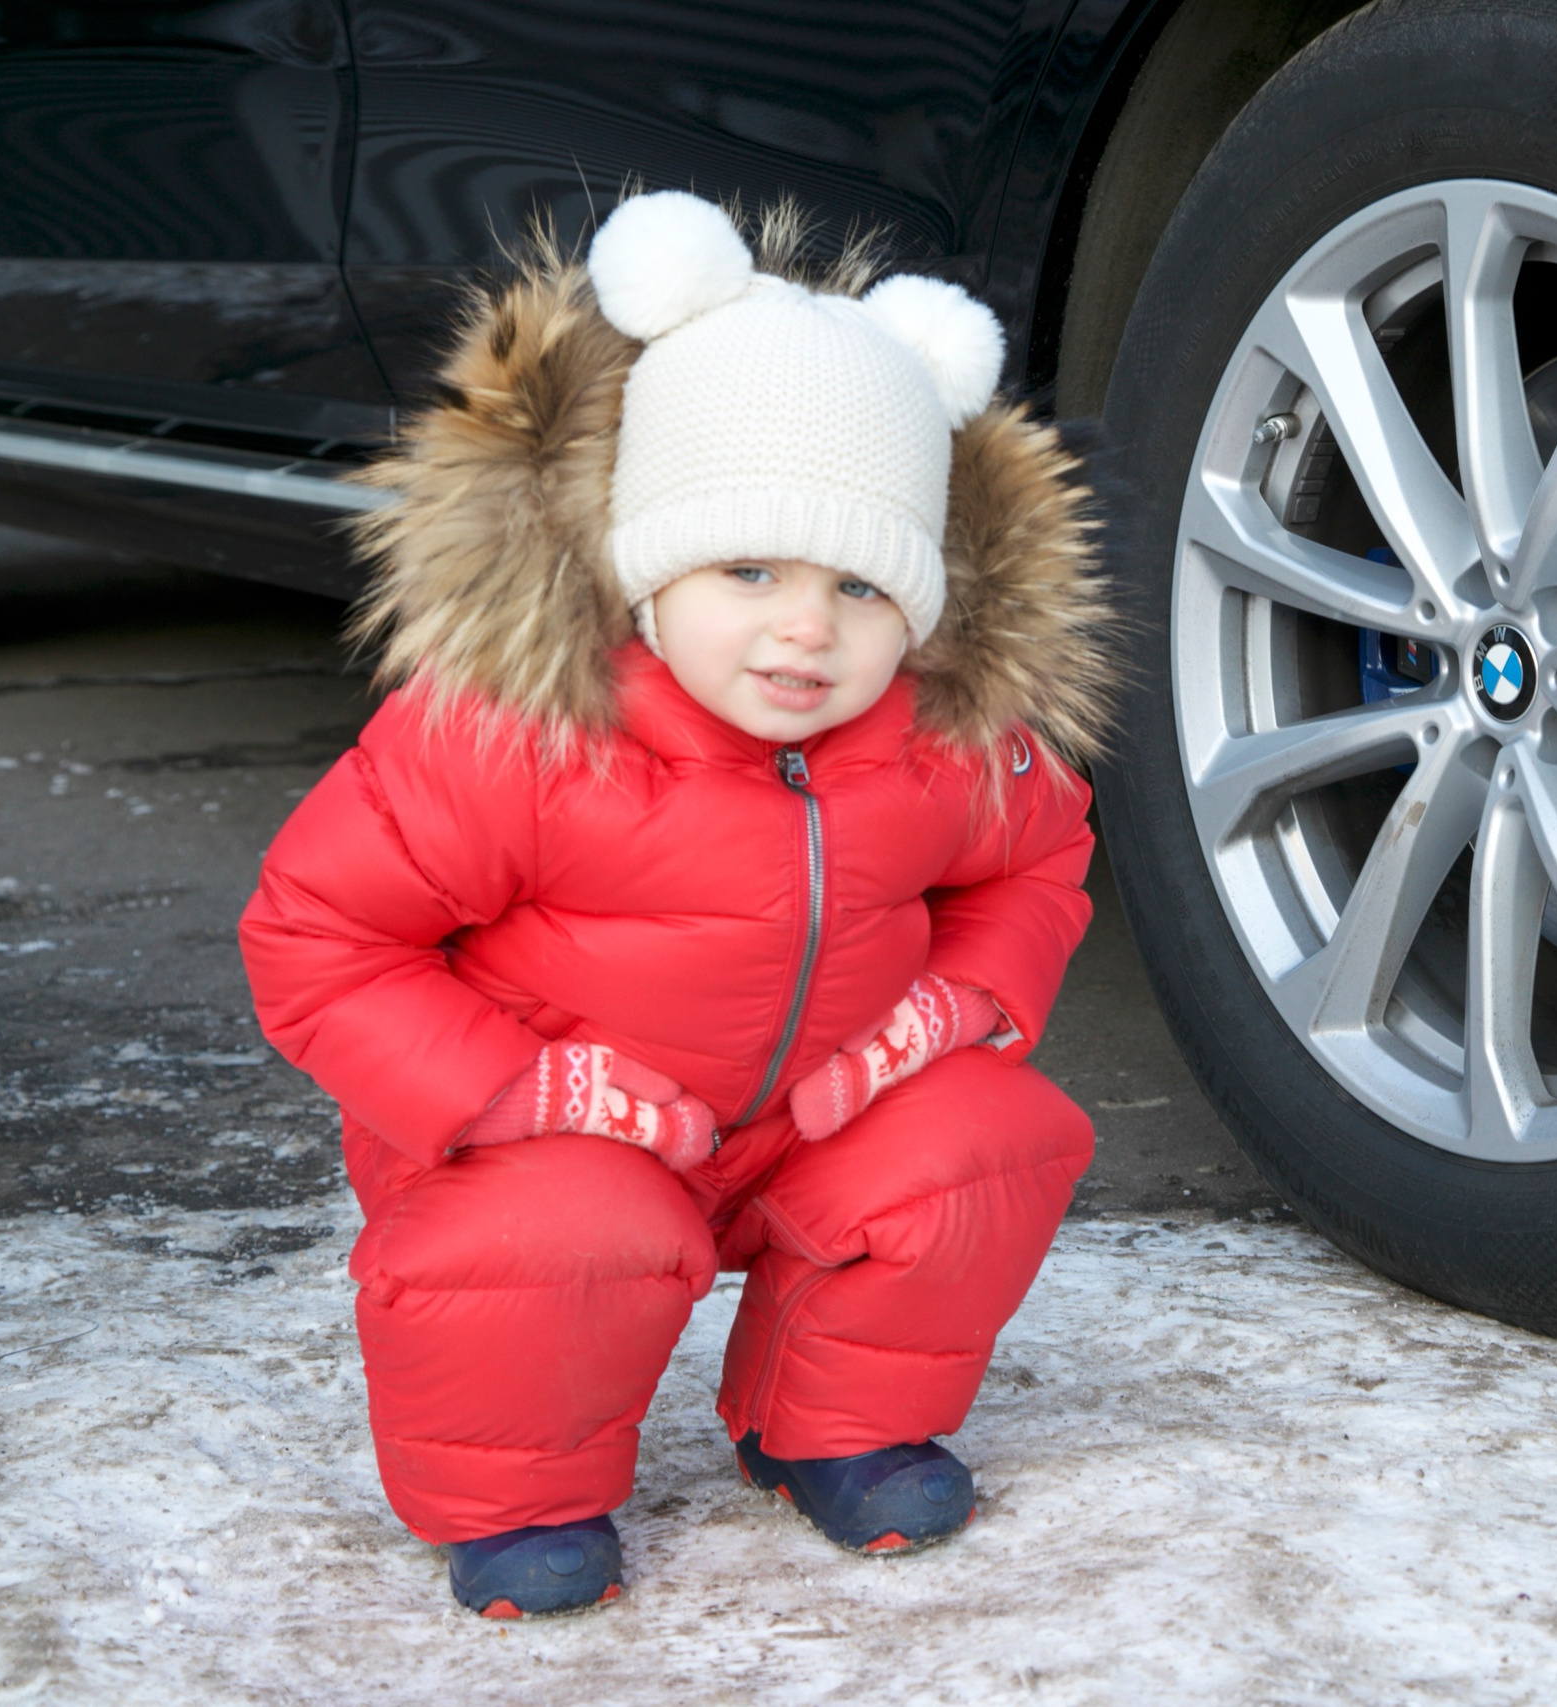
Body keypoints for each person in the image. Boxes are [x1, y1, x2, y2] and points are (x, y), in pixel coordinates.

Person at [240, 190, 1115, 1619]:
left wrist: (959, 1002)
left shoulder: (943, 742)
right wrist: (516, 1091)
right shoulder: (518, 737)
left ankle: (832, 1422)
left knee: (983, 1138)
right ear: (650, 566)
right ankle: (523, 1502)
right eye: (748, 569)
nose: (806, 627)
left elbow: (1037, 861)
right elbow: (318, 938)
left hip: (809, 1123)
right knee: (547, 1248)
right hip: (557, 1135)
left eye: (859, 584)